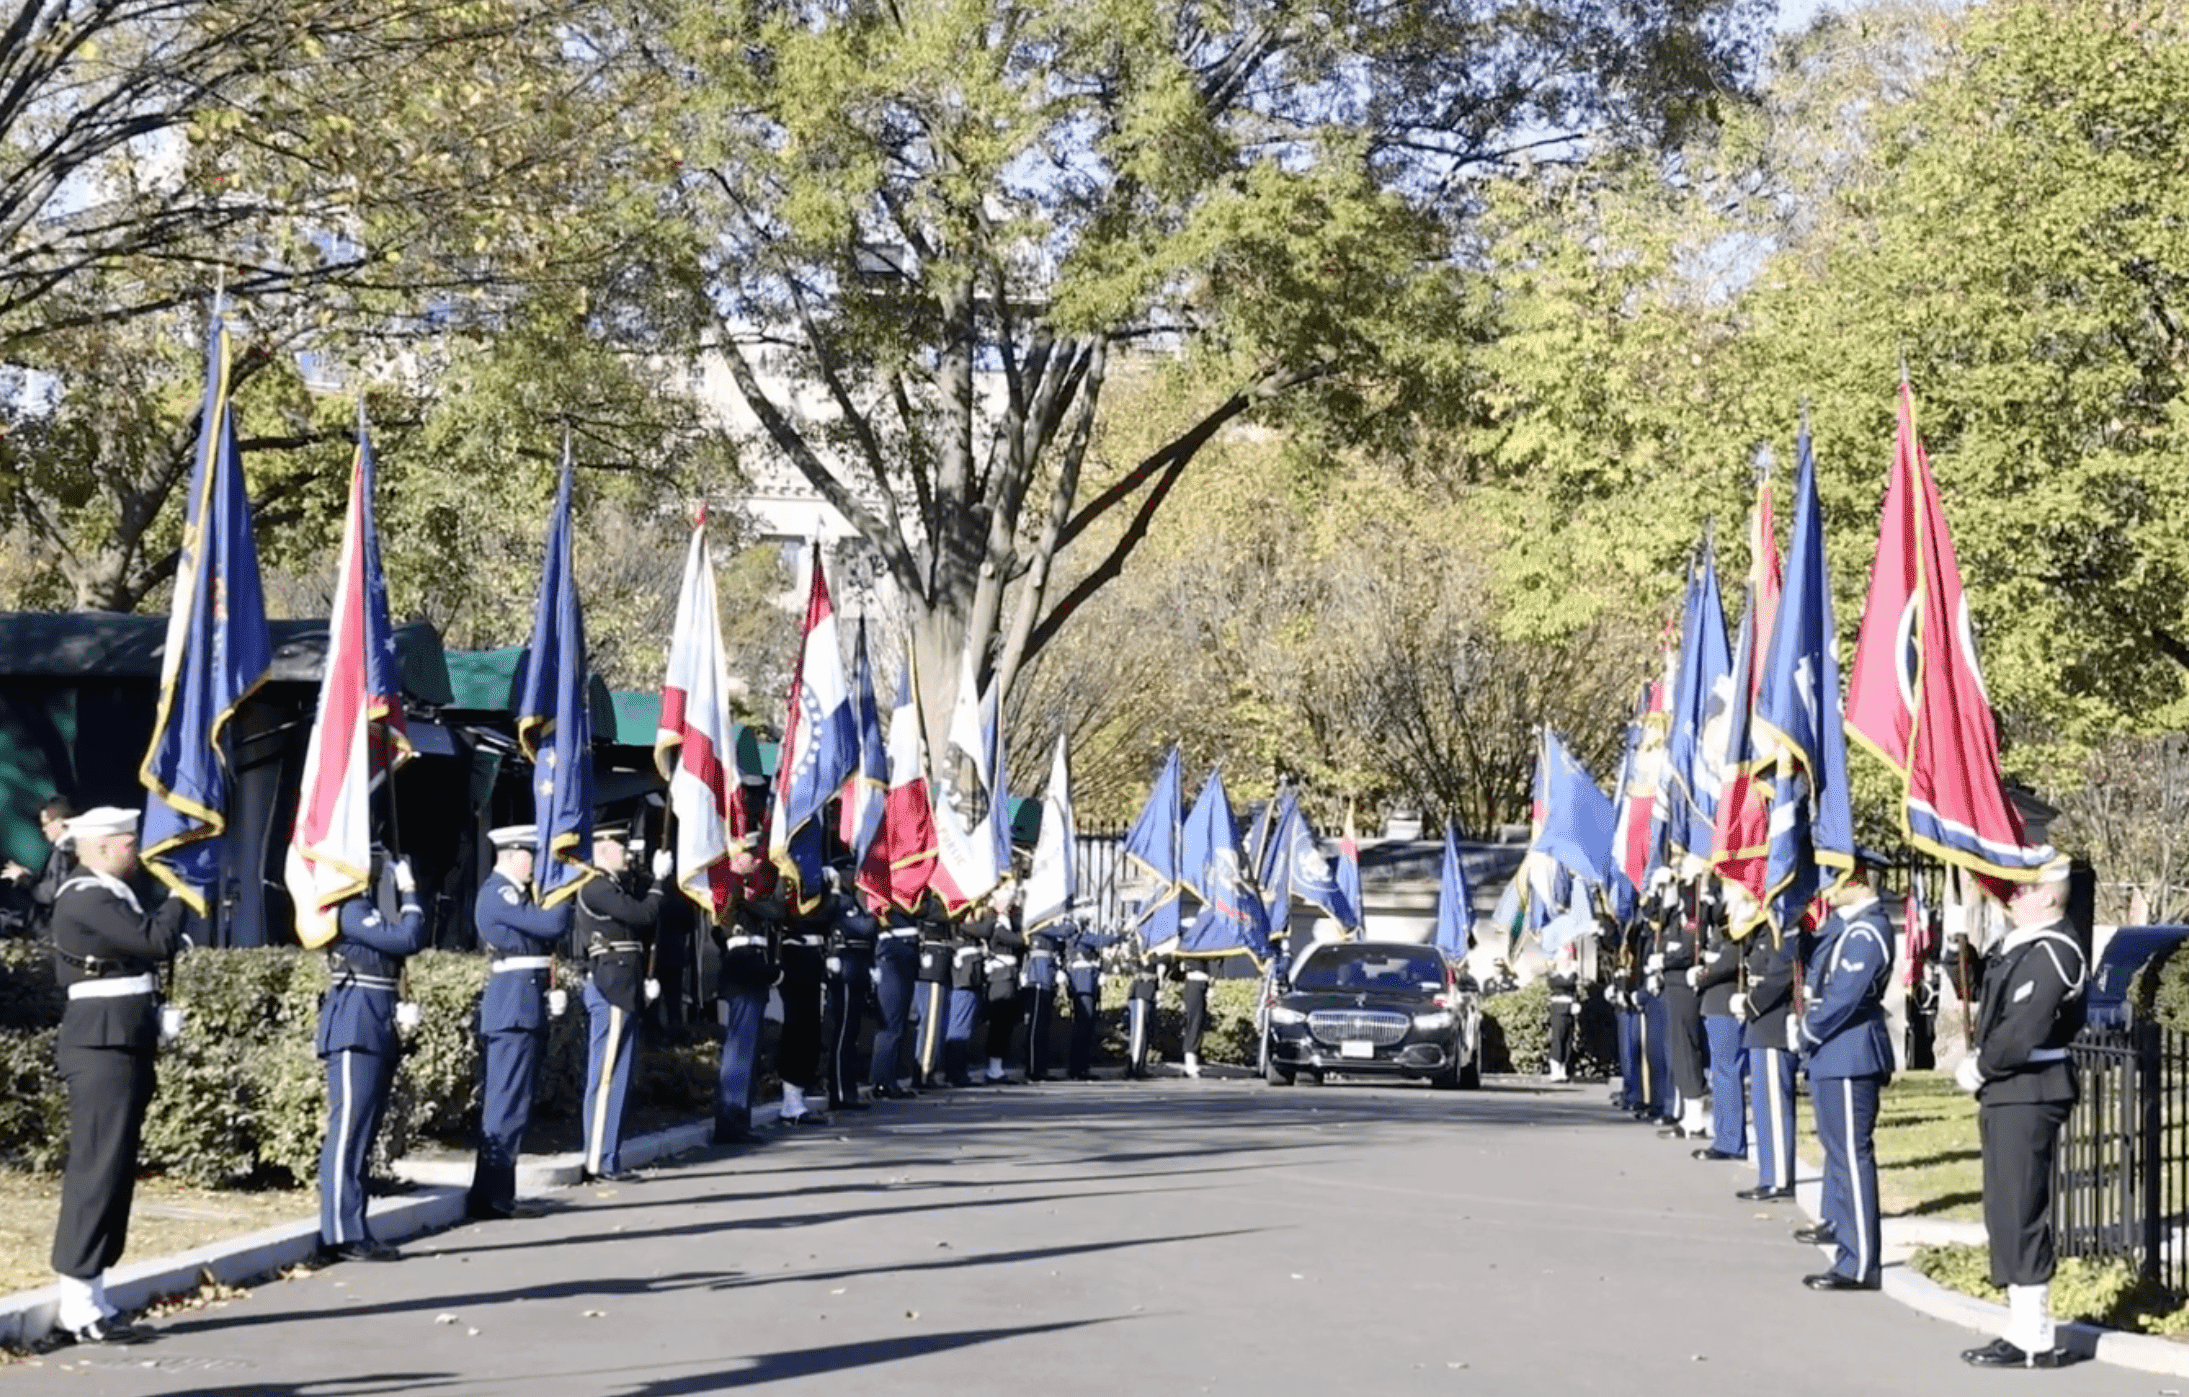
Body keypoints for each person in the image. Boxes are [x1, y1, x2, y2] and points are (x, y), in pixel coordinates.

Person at [46, 806, 191, 1345]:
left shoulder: (111, 891)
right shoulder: (86, 896)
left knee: (115, 1171)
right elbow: (154, 942)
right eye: (132, 842)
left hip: (123, 1040)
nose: (139, 850)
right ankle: (77, 1303)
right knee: (96, 1170)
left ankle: (95, 1292)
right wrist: (183, 893)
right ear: (105, 846)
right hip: (101, 1044)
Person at [1956, 856, 2086, 1370]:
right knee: (2006, 1210)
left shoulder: (2055, 950)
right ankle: (2022, 1327)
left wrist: (1983, 1066)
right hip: (2012, 1091)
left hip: (2031, 1088)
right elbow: (1994, 1004)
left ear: (2049, 896)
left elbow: (2023, 1029)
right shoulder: (2024, 947)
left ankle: (2034, 1336)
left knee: (2020, 1209)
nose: (2010, 895)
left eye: (2023, 889)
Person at [317, 852, 426, 1262]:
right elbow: (407, 939)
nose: (377, 865)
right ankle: (340, 1233)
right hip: (354, 1027)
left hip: (374, 1025)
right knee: (347, 1134)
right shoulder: (349, 909)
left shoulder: (365, 909)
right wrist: (410, 892)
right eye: (370, 857)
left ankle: (353, 1225)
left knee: (360, 1136)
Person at [1792, 853, 1894, 1292]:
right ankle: (1844, 1238)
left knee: (1852, 1157)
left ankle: (1859, 1262)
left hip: (1850, 1053)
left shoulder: (1869, 931)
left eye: (1836, 876)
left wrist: (1808, 1030)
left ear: (1859, 878)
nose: (1828, 885)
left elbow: (1846, 996)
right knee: (1838, 1153)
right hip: (1833, 1054)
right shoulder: (1848, 927)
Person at [467, 824, 573, 1221]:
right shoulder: (498, 893)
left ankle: (496, 1192)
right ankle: (491, 1196)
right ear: (512, 854)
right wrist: (565, 892)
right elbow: (550, 926)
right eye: (531, 855)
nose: (535, 865)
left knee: (513, 1103)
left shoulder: (514, 894)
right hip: (512, 1008)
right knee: (504, 1105)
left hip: (522, 1004)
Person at [574, 823, 669, 1182]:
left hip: (624, 986)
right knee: (606, 1078)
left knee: (620, 1076)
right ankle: (597, 1160)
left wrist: (655, 878)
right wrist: (658, 882)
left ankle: (609, 1157)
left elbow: (647, 915)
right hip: (611, 986)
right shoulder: (596, 886)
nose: (627, 853)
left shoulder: (614, 885)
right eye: (621, 846)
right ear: (601, 849)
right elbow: (642, 915)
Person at [711, 843, 779, 1145]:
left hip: (751, 983)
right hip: (744, 981)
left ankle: (741, 1119)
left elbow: (775, 912)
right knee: (739, 1052)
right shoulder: (731, 894)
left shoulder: (750, 894)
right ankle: (730, 1121)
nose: (757, 860)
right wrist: (772, 973)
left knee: (748, 1054)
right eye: (751, 854)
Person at [1736, 924, 1799, 1203]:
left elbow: (1778, 977)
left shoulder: (1784, 933)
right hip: (1761, 1027)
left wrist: (1749, 1004)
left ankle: (1779, 1179)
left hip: (1772, 1025)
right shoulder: (1762, 932)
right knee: (1764, 1107)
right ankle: (1769, 1174)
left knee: (1774, 1108)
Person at [1693, 894, 1749, 1163]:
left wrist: (1704, 974)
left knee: (1727, 1074)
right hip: (1714, 1004)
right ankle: (1724, 1135)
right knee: (1720, 1074)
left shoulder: (1740, 926)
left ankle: (1730, 1141)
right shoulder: (1722, 923)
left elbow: (1729, 962)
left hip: (1725, 1004)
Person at [824, 867, 877, 1112]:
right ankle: (840, 1093)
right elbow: (864, 928)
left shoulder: (854, 901)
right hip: (845, 972)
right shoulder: (840, 902)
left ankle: (849, 1090)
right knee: (843, 1034)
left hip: (857, 971)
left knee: (851, 1035)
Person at [868, 896, 922, 1100]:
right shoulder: (883, 894)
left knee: (898, 1026)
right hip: (891, 961)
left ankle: (891, 1080)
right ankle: (881, 1082)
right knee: (890, 1026)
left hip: (905, 959)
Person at [3, 795, 78, 940]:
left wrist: (24, 879)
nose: (43, 829)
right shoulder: (65, 849)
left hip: (57, 931)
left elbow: (53, 892)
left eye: (46, 823)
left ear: (61, 822)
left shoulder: (65, 851)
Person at [979, 884, 1026, 1083]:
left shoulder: (1008, 922)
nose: (1009, 903)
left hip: (1009, 978)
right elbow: (1016, 940)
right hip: (1000, 979)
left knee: (1006, 1024)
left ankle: (998, 1067)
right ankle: (993, 1069)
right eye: (1004, 899)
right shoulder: (995, 924)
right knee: (999, 1024)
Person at [1545, 940, 1581, 1083]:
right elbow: (1564, 983)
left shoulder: (1572, 973)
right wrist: (1572, 972)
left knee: (1567, 1039)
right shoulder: (1555, 973)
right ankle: (1555, 1069)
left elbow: (1573, 987)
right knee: (1558, 1039)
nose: (1567, 959)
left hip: (1569, 1009)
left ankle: (1563, 1068)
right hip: (1559, 1009)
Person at [1123, 945, 1161, 1079]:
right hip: (1141, 991)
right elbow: (1133, 960)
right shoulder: (1139, 944)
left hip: (1149, 991)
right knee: (1138, 1033)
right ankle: (1134, 1066)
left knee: (1145, 1032)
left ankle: (1140, 1066)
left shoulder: (1157, 945)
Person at [1179, 956, 1213, 1078]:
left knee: (1199, 1022)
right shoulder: (1190, 945)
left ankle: (1192, 1059)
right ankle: (1190, 1062)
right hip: (1194, 982)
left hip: (1201, 982)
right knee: (1194, 1022)